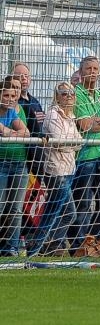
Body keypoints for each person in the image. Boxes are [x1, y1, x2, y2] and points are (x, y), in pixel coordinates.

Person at [69, 56, 100, 257]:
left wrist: (96, 120)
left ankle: (92, 240)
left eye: (96, 68)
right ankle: (78, 246)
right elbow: (84, 126)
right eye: (88, 68)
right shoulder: (76, 94)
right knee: (82, 204)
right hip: (85, 157)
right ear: (81, 72)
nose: (93, 72)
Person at [27, 82, 82, 256]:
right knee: (56, 212)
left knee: (66, 213)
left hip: (69, 169)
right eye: (65, 94)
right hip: (56, 171)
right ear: (57, 97)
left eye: (72, 93)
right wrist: (70, 143)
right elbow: (59, 141)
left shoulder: (71, 117)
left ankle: (47, 245)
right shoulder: (52, 115)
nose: (69, 96)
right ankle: (37, 246)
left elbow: (78, 142)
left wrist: (69, 143)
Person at [0, 79, 30, 256]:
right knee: (1, 205)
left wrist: (9, 132)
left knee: (16, 208)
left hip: (19, 165)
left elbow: (25, 132)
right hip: (1, 163)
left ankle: (11, 247)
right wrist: (9, 132)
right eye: (6, 95)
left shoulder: (12, 113)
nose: (10, 98)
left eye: (13, 95)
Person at [12, 62, 45, 178]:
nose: (23, 79)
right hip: (22, 159)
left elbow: (41, 127)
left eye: (26, 75)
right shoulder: (12, 104)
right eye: (19, 76)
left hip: (38, 159)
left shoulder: (35, 102)